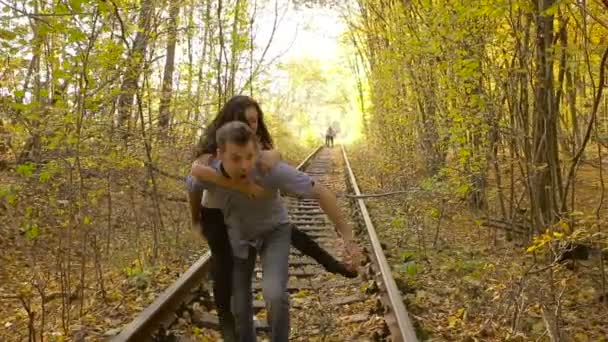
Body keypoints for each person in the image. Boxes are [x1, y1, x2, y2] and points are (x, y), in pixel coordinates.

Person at [187, 95, 357, 340]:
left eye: (254, 122)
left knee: (275, 295)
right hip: (237, 237)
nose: (248, 127)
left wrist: (348, 238)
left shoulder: (268, 165)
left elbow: (320, 191)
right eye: (241, 121)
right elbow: (193, 185)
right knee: (239, 306)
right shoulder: (210, 166)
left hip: (273, 231)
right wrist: (195, 220)